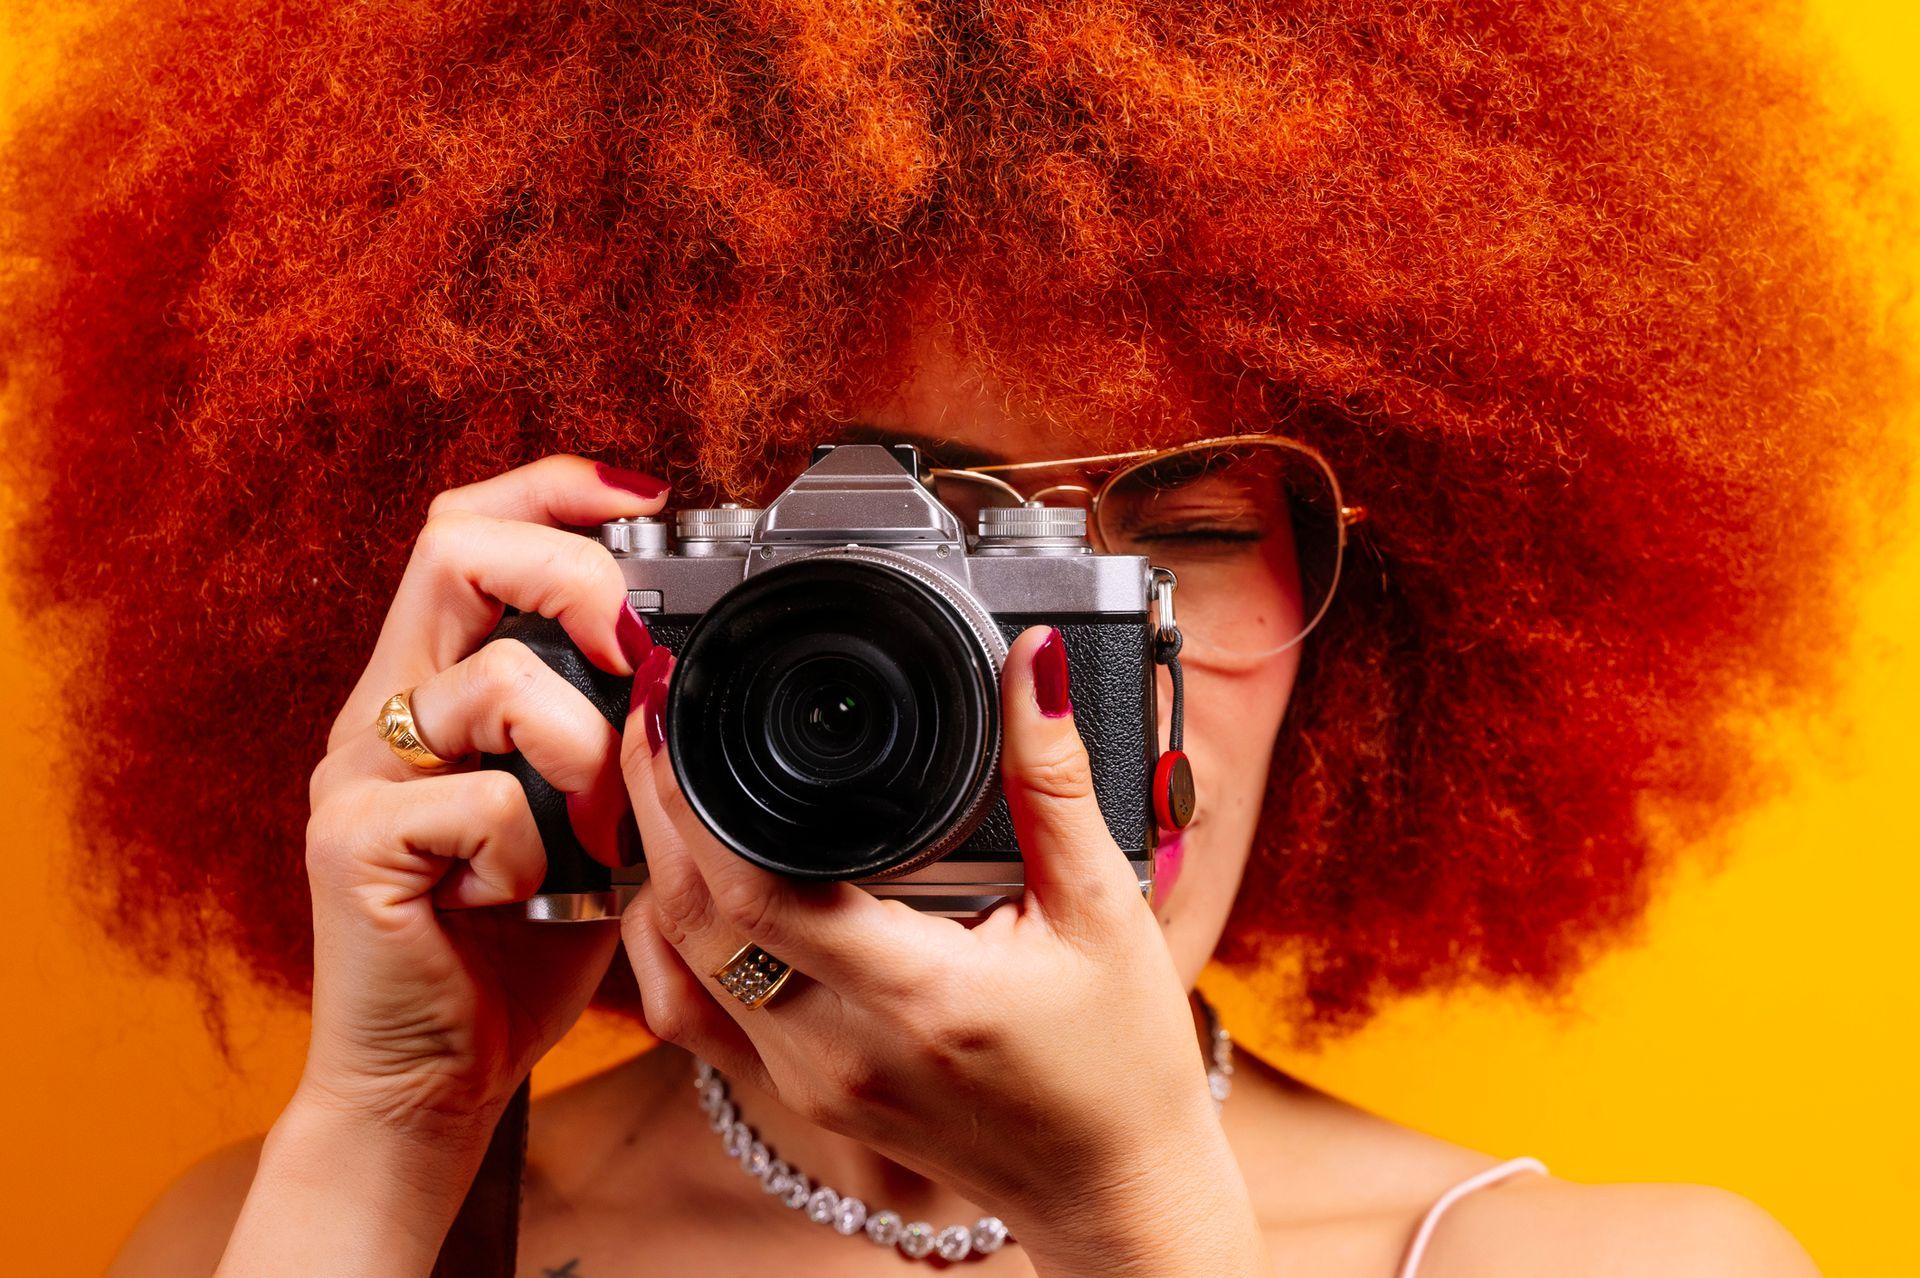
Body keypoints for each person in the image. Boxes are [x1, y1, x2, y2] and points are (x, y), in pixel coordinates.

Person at [2, 1, 1900, 1274]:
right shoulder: (313, 1228)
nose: (1050, 690)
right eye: (893, 574)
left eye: (1189, 533)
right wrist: (389, 1131)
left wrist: (1137, 1222)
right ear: (613, 600)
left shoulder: (1620, 1265)